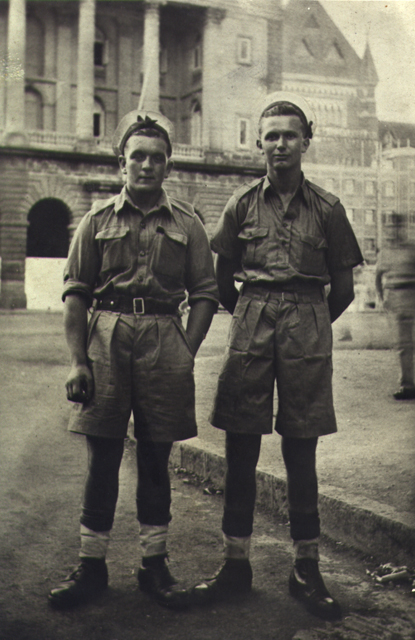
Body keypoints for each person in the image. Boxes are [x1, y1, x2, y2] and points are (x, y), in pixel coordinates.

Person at [192, 92, 363, 620]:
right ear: (259, 144)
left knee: (301, 446)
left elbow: (344, 288)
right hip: (252, 317)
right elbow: (222, 281)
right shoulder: (240, 205)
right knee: (240, 443)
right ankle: (235, 564)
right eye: (270, 135)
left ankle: (305, 568)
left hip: (308, 319)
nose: (280, 144)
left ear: (306, 142)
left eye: (290, 134)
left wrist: (308, 324)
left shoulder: (329, 208)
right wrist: (255, 315)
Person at [48, 110, 218, 610]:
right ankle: (91, 565)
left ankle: (155, 565)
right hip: (106, 336)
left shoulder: (188, 223)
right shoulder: (96, 221)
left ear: (168, 166)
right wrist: (78, 361)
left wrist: (187, 346)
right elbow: (76, 295)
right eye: (137, 156)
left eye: (157, 157)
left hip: (166, 337)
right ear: (121, 162)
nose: (146, 165)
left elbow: (205, 292)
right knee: (102, 457)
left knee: (156, 459)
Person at [376, 214, 415, 400]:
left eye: (398, 227)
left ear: (404, 228)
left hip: (412, 294)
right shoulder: (385, 252)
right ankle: (407, 385)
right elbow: (377, 276)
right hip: (395, 298)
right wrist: (383, 297)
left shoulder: (412, 249)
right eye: (391, 227)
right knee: (402, 345)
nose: (394, 231)